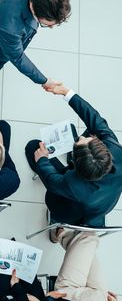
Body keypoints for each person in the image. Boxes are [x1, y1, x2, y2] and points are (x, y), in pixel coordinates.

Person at [25, 84, 122, 228]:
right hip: (102, 203)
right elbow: (97, 120)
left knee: (33, 147)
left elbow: (52, 181)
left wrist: (42, 160)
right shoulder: (116, 149)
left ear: (77, 165)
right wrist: (67, 93)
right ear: (103, 148)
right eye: (91, 139)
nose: (82, 138)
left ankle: (57, 223)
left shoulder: (73, 182)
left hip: (74, 212)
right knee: (92, 128)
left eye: (78, 143)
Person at [0, 0, 71, 103]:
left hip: (0, 27)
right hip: (1, 47)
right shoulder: (11, 26)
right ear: (33, 9)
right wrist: (44, 81)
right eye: (47, 25)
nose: (52, 27)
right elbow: (17, 56)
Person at [51, 228, 122, 301]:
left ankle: (60, 232)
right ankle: (60, 233)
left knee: (89, 237)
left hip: (72, 296)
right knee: (86, 248)